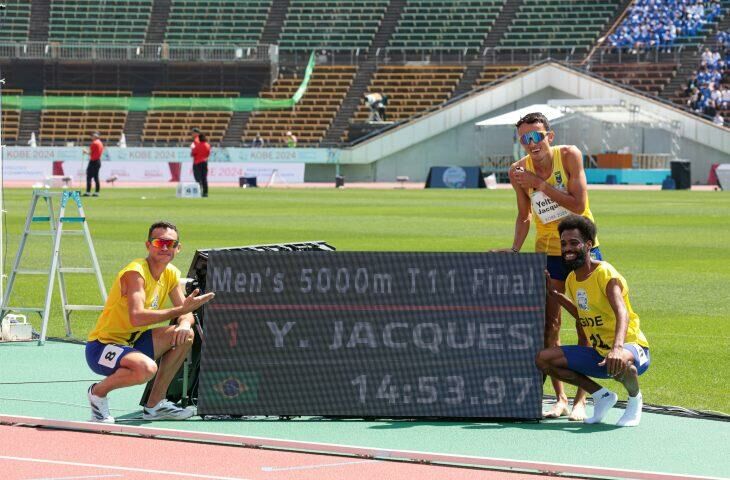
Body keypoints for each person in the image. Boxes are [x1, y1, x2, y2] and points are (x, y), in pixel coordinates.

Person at [493, 112, 602, 421]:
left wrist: (539, 183)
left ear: (548, 137)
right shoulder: (517, 171)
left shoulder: (568, 156)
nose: (531, 144)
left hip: (582, 250)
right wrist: (515, 249)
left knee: (586, 321)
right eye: (525, 139)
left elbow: (579, 205)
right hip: (547, 253)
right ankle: (560, 398)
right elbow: (525, 215)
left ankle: (584, 400)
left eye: (536, 136)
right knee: (549, 325)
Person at [85, 221, 215, 423]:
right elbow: (137, 317)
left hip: (133, 343)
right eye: (159, 242)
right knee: (147, 369)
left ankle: (155, 405)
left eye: (170, 244)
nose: (165, 248)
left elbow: (186, 313)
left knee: (186, 335)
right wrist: (181, 310)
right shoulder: (135, 273)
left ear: (178, 248)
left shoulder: (170, 273)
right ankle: (97, 393)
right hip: (102, 347)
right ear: (148, 246)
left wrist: (183, 322)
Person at [536, 216, 650, 427]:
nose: (567, 248)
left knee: (624, 364)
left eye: (573, 243)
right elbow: (583, 315)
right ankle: (601, 395)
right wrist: (556, 296)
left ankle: (635, 400)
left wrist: (617, 348)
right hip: (600, 354)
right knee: (543, 359)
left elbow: (621, 313)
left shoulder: (605, 273)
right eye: (563, 244)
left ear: (588, 245)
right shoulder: (572, 279)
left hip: (632, 347)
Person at [82, 131, 103, 197]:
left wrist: (85, 151)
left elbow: (90, 153)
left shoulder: (94, 143)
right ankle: (97, 192)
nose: (91, 137)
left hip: (93, 161)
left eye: (92, 136)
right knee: (96, 177)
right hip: (98, 161)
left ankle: (88, 192)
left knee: (89, 176)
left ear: (95, 137)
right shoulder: (100, 143)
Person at [192, 133, 211, 197]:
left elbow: (192, 153)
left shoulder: (197, 146)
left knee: (198, 178)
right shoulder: (207, 145)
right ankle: (205, 193)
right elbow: (208, 154)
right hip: (205, 162)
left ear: (199, 139)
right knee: (204, 178)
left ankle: (198, 191)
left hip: (197, 163)